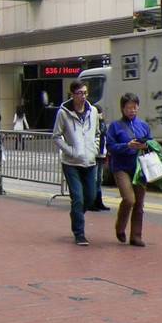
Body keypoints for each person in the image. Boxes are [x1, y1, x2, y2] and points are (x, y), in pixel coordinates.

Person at [53, 81, 100, 246]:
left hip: (90, 161)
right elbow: (56, 136)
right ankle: (79, 233)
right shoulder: (63, 113)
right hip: (71, 162)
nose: (83, 96)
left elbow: (97, 133)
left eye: (85, 93)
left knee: (91, 197)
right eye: (80, 93)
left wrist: (94, 149)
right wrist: (70, 151)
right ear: (72, 94)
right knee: (78, 197)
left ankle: (76, 214)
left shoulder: (93, 111)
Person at [106, 93, 152, 246]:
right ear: (122, 108)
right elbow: (110, 146)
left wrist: (145, 145)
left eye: (134, 107)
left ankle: (136, 236)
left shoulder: (144, 126)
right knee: (129, 199)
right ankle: (120, 227)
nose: (132, 110)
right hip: (121, 168)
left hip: (139, 168)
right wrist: (127, 146)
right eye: (128, 108)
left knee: (139, 203)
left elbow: (152, 143)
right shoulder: (115, 126)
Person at [91, 104, 111, 211]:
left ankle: (98, 201)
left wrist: (106, 153)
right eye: (98, 113)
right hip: (94, 155)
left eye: (100, 112)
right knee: (94, 179)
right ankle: (91, 202)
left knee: (99, 179)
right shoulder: (91, 124)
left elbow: (105, 138)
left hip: (101, 154)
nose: (100, 115)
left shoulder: (102, 124)